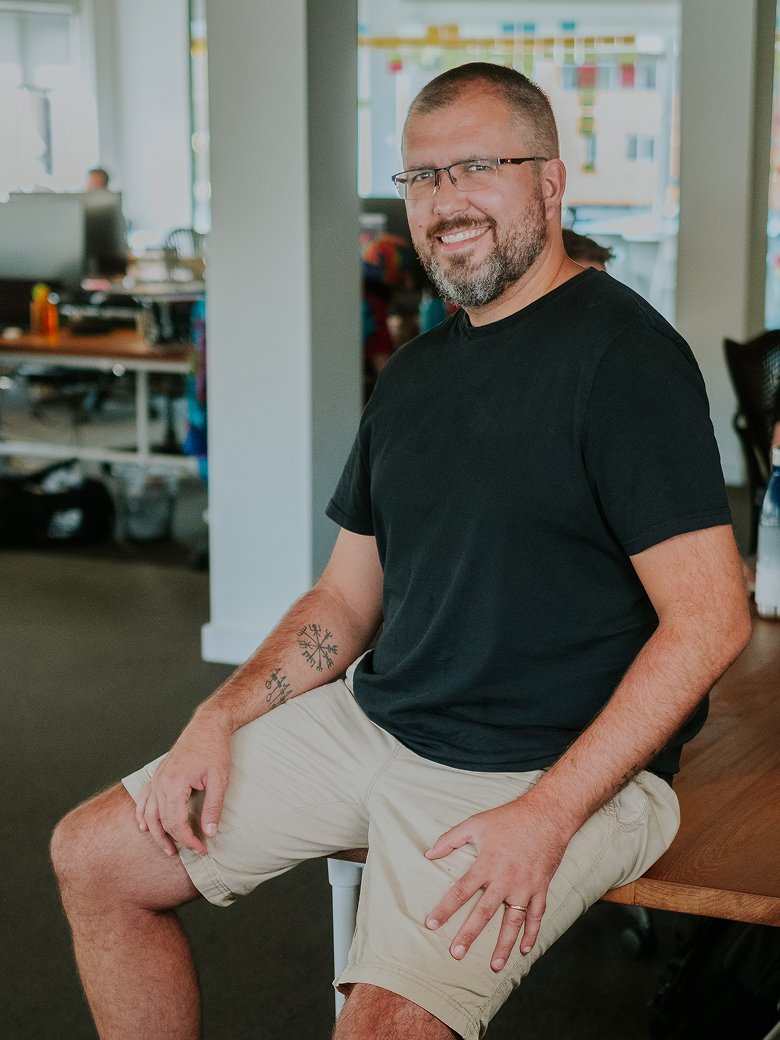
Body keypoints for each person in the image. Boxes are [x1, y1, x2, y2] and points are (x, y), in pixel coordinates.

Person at [51, 62, 751, 1040]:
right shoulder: (417, 374)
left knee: (381, 1025)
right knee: (95, 856)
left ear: (551, 183)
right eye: (422, 177)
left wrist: (546, 818)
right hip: (384, 719)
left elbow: (713, 616)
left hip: (544, 769)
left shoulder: (624, 359)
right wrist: (218, 714)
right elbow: (345, 598)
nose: (444, 202)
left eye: (478, 167)